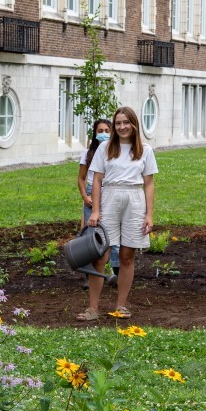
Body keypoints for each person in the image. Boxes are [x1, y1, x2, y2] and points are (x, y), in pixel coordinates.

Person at [80, 107, 158, 320]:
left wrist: (149, 215)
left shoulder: (145, 150)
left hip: (134, 201)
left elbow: (149, 184)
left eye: (126, 122)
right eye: (118, 123)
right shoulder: (105, 148)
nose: (122, 127)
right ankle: (92, 308)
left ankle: (121, 306)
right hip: (110, 198)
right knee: (100, 255)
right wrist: (95, 210)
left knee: (126, 256)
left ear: (134, 124)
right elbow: (96, 180)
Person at [78, 119, 120, 284]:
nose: (103, 134)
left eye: (106, 130)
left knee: (114, 235)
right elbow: (81, 179)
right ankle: (90, 275)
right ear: (95, 134)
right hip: (92, 193)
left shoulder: (116, 151)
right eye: (100, 131)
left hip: (110, 193)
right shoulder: (88, 153)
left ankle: (117, 272)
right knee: (91, 236)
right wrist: (85, 197)